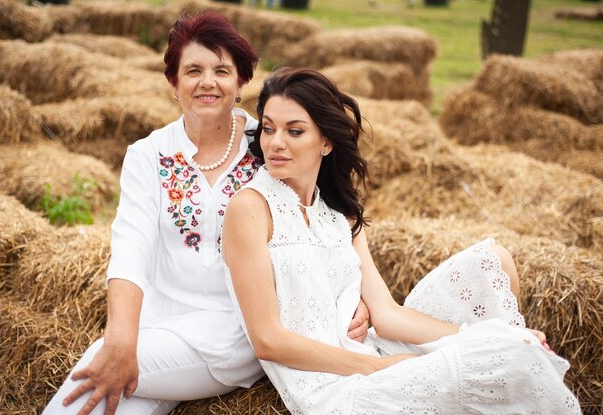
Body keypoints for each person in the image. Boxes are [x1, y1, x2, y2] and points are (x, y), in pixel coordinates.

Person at [42, 13, 369, 415]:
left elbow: (323, 218)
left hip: (240, 329)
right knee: (114, 397)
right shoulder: (149, 155)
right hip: (160, 328)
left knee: (100, 361)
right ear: (173, 83)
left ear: (241, 82)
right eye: (193, 70)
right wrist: (122, 339)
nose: (208, 82)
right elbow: (131, 251)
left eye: (222, 70)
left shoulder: (269, 144)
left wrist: (354, 298)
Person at [222, 67, 581, 414]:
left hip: (374, 350)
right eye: (268, 129)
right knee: (511, 359)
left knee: (494, 264)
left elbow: (387, 315)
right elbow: (267, 340)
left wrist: (487, 337)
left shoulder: (338, 213)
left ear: (327, 142)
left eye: (295, 131)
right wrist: (379, 368)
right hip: (335, 384)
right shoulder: (251, 208)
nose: (276, 143)